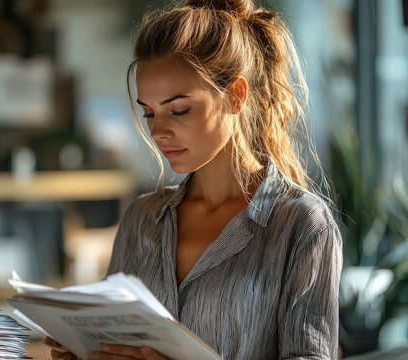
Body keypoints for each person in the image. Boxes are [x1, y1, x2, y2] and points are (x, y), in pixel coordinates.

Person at [45, 0, 342, 359]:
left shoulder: (302, 225)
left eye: (179, 110)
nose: (158, 132)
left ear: (235, 96)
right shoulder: (141, 219)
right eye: (149, 113)